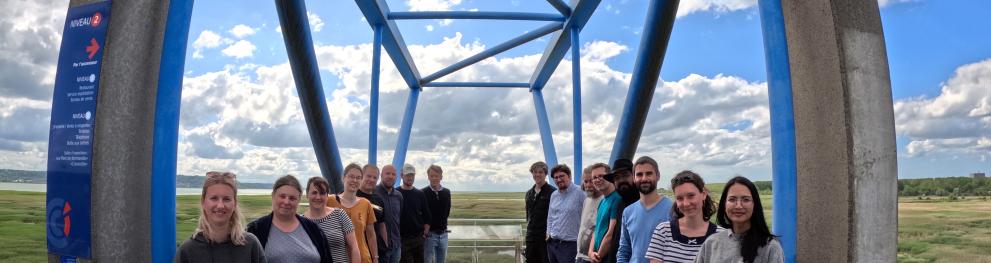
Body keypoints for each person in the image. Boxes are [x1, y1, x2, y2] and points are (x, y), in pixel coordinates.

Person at [175, 171, 265, 263]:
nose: (220, 206)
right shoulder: (187, 251)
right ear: (203, 202)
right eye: (214, 198)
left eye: (226, 199)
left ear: (235, 204)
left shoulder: (250, 245)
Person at [694, 176, 783, 263]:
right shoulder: (711, 243)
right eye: (732, 199)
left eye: (746, 199)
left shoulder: (770, 247)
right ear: (724, 204)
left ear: (755, 205)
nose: (739, 206)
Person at [247, 175, 333, 263]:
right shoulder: (256, 229)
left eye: (292, 198)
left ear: (298, 200)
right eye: (282, 196)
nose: (286, 202)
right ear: (273, 196)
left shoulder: (313, 229)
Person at [646, 171, 722, 263]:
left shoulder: (721, 237)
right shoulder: (663, 232)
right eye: (680, 198)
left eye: (691, 196)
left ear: (703, 194)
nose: (686, 203)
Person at [617, 156, 674, 263]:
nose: (644, 179)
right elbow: (624, 250)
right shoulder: (628, 212)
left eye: (649, 173)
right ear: (634, 178)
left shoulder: (672, 209)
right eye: (639, 174)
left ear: (658, 176)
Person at [328, 163, 380, 263]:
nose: (354, 180)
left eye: (358, 178)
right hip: (337, 259)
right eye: (351, 177)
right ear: (343, 178)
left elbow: (371, 234)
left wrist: (375, 258)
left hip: (362, 258)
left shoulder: (365, 204)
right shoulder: (330, 201)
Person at [304, 176, 361, 263]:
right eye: (314, 193)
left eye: (322, 193)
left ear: (327, 196)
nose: (318, 197)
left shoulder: (339, 215)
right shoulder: (302, 222)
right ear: (307, 194)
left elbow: (354, 247)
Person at [545, 164, 584, 263]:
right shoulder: (554, 195)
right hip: (553, 244)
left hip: (571, 246)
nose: (558, 180)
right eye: (555, 177)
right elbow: (550, 217)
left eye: (561, 176)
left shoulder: (581, 193)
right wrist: (548, 234)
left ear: (569, 176)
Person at [398, 164, 432, 263]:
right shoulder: (396, 193)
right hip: (402, 239)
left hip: (418, 239)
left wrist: (424, 234)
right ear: (401, 176)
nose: (410, 178)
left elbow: (427, 216)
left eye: (412, 175)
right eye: (407, 175)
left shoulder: (420, 194)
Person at [588, 166, 622, 263]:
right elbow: (597, 230)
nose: (597, 179)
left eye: (601, 176)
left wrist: (597, 257)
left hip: (606, 258)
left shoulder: (617, 199)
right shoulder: (602, 201)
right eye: (594, 177)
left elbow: (611, 234)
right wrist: (590, 253)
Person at [576, 164, 608, 263]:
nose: (588, 185)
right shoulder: (586, 201)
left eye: (591, 181)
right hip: (580, 256)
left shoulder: (605, 201)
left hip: (594, 258)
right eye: (586, 181)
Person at [525, 161, 554, 263]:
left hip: (545, 238)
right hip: (531, 238)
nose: (537, 174)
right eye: (534, 172)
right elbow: (528, 215)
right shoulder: (529, 193)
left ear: (545, 174)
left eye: (540, 172)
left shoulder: (552, 192)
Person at [422, 164, 451, 263]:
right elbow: (422, 213)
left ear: (441, 177)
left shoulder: (447, 192)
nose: (434, 178)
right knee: (427, 260)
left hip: (443, 234)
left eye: (436, 176)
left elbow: (446, 212)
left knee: (441, 261)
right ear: (428, 177)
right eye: (432, 176)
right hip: (429, 235)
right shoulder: (423, 192)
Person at [360, 164, 388, 263]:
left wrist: (385, 244)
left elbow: (382, 224)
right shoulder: (352, 196)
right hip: (359, 250)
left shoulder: (379, 199)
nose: (371, 180)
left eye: (375, 177)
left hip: (378, 251)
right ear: (362, 176)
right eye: (368, 176)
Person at [376, 165, 404, 263]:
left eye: (393, 174)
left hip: (396, 246)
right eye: (387, 173)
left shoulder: (398, 196)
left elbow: (398, 219)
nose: (390, 176)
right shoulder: (374, 194)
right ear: (381, 175)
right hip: (380, 248)